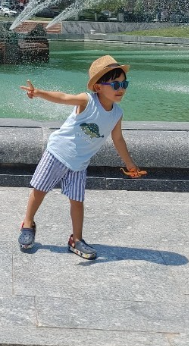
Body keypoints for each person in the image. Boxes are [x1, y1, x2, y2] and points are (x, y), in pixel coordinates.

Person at [18, 54, 146, 259]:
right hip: (57, 153)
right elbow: (63, 97)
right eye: (115, 84)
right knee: (39, 190)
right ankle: (27, 224)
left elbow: (118, 139)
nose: (121, 88)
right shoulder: (87, 101)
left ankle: (76, 240)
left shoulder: (117, 113)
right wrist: (39, 93)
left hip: (79, 163)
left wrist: (129, 163)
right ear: (98, 87)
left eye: (124, 84)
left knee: (77, 201)